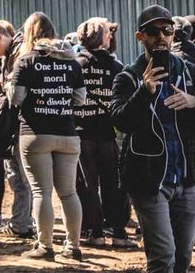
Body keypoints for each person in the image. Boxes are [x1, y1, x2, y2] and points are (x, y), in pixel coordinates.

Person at [112, 5, 195, 273]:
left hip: (186, 179)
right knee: (163, 259)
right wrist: (144, 92)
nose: (161, 36)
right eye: (153, 31)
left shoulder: (191, 73)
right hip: (148, 180)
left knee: (183, 259)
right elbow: (119, 121)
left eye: (167, 30)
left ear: (174, 34)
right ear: (140, 37)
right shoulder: (128, 77)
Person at [5, 12, 87, 261]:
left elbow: (16, 99)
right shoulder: (72, 62)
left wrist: (8, 85)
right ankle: (73, 247)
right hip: (67, 133)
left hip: (36, 133)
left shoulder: (26, 61)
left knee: (41, 192)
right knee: (69, 193)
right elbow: (80, 99)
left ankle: (45, 246)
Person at [73, 18, 128, 247]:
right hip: (107, 134)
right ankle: (119, 233)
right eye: (107, 33)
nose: (110, 36)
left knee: (88, 186)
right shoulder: (116, 67)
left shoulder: (76, 65)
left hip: (82, 133)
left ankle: (95, 232)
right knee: (113, 184)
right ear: (103, 38)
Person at [0, 19, 34, 237]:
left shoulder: (18, 52)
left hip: (20, 122)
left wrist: (3, 87)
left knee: (21, 177)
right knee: (17, 175)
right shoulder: (12, 53)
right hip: (16, 123)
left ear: (0, 37)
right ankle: (22, 221)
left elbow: (19, 90)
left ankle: (22, 224)